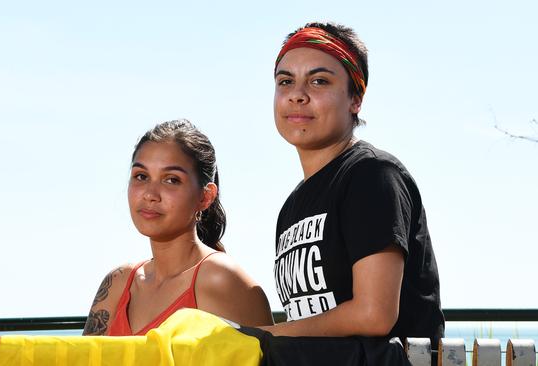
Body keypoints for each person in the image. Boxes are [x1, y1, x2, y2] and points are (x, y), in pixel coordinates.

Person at [258, 21, 444, 354]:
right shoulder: (292, 207)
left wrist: (263, 335)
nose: (297, 95)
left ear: (355, 98)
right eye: (285, 81)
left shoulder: (372, 175)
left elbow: (374, 315)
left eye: (318, 81)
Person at [83, 119, 273, 336]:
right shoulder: (118, 282)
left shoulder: (220, 279)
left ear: (205, 196)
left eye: (171, 180)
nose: (150, 194)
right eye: (141, 176)